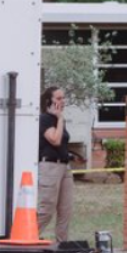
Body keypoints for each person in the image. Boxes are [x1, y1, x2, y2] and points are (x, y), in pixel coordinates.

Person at [38, 86, 74, 243]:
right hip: (50, 167)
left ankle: (62, 244)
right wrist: (59, 118)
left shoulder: (59, 120)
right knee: (47, 209)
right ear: (49, 101)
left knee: (65, 210)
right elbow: (55, 140)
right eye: (59, 98)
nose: (63, 101)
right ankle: (28, 236)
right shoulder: (45, 118)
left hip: (64, 167)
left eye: (63, 98)